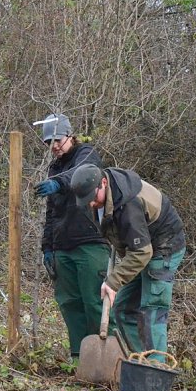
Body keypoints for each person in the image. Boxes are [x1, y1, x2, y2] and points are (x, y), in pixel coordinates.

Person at [66, 163, 185, 360]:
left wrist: (113, 281)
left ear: (103, 183)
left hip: (165, 246)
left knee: (151, 310)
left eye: (93, 198)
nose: (91, 204)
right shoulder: (104, 197)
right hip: (141, 249)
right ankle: (138, 360)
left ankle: (156, 369)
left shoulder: (129, 205)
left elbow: (142, 252)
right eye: (86, 200)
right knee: (122, 310)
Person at [33, 114, 110, 361]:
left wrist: (59, 184)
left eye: (57, 139)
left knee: (94, 302)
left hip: (90, 243)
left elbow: (84, 172)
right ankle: (80, 358)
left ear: (69, 136)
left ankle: (106, 358)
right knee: (70, 303)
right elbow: (51, 212)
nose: (54, 146)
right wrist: (48, 246)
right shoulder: (54, 167)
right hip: (62, 246)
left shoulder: (86, 153)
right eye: (48, 142)